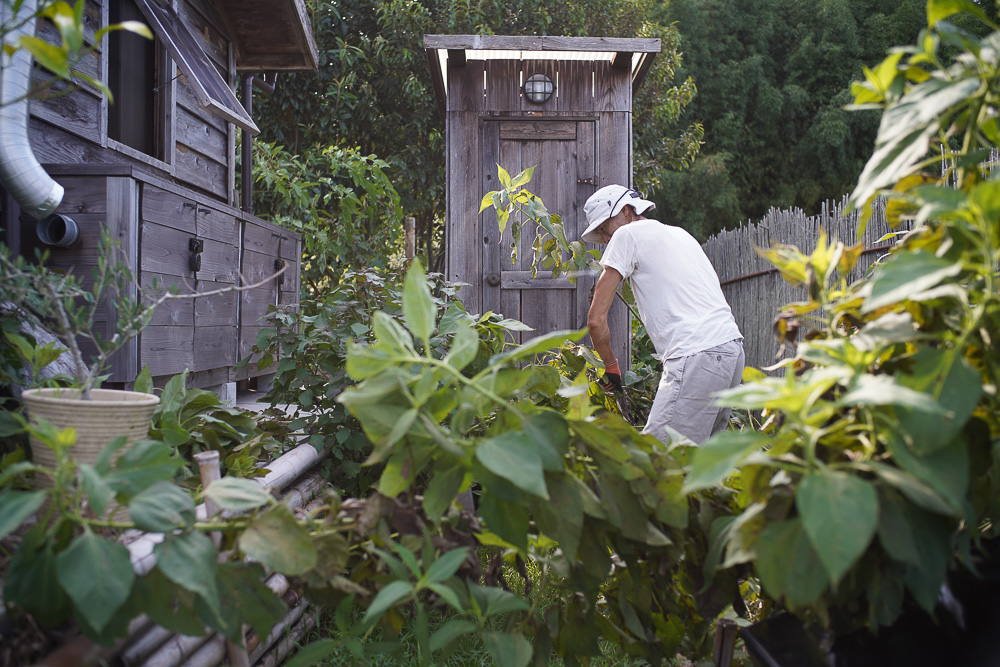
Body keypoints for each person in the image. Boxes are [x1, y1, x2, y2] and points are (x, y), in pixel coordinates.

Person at [582, 184, 744, 445]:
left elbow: (595, 320)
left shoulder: (627, 235)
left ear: (625, 211)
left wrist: (611, 367)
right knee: (696, 465)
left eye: (604, 228)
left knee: (656, 461)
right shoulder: (680, 234)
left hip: (697, 354)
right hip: (730, 351)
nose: (604, 238)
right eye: (599, 233)